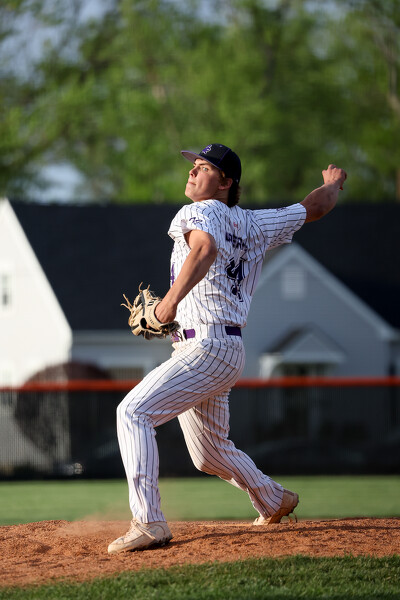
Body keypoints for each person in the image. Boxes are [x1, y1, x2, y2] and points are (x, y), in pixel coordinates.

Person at [108, 143, 347, 554]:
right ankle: (273, 498)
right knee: (210, 453)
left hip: (204, 346)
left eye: (203, 167)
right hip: (226, 349)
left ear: (225, 182)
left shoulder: (198, 211)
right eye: (194, 166)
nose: (192, 172)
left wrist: (167, 306)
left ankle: (149, 522)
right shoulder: (255, 223)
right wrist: (333, 185)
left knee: (133, 413)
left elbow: (204, 249)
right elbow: (313, 208)